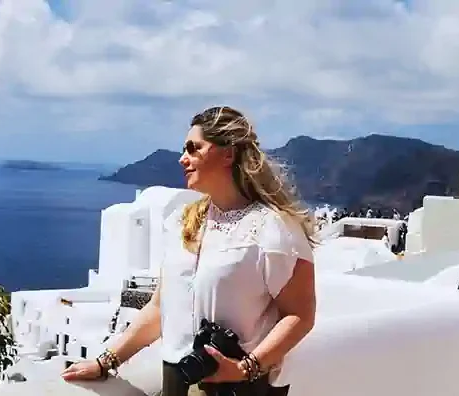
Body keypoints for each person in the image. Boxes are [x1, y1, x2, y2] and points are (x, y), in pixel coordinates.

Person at [61, 106, 317, 396]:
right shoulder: (184, 223)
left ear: (228, 154)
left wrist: (246, 367)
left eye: (194, 149)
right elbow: (160, 308)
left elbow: (300, 315)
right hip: (177, 380)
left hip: (240, 388)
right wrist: (106, 360)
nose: (183, 159)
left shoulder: (274, 229)